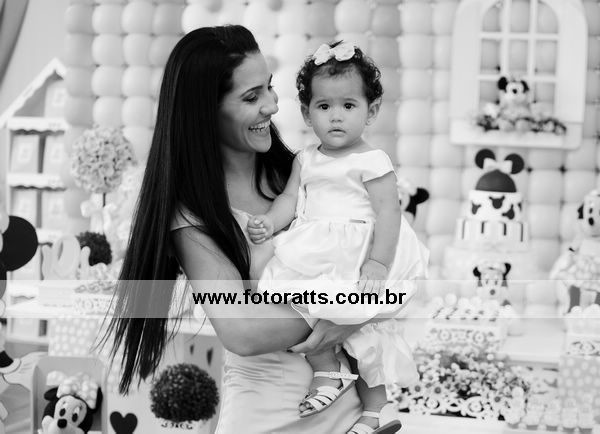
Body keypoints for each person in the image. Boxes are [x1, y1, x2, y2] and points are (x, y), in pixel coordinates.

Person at [104, 25, 382, 433]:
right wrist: (352, 310)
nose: (272, 105)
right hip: (269, 420)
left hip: (353, 415)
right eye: (251, 97)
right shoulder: (192, 215)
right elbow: (243, 330)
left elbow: (392, 264)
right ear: (206, 112)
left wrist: (363, 302)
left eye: (269, 87)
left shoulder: (301, 175)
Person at [247, 41, 429, 434]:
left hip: (359, 252)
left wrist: (377, 262)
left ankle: (377, 408)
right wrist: (270, 222)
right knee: (300, 303)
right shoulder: (305, 159)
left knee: (364, 327)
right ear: (306, 113)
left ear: (371, 111)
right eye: (324, 106)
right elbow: (290, 199)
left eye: (348, 105)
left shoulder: (373, 161)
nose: (336, 116)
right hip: (317, 249)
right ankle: (327, 370)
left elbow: (388, 213)